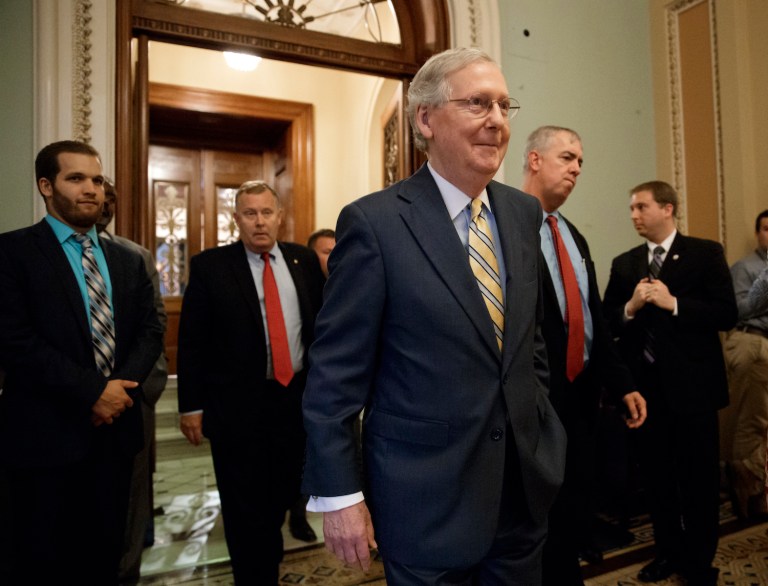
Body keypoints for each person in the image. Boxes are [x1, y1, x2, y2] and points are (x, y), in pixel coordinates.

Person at [301, 47, 566, 585]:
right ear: (426, 118)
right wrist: (340, 493)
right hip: (425, 505)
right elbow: (334, 376)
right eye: (477, 103)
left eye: (503, 105)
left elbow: (527, 343)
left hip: (520, 495)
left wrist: (541, 433)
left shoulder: (521, 212)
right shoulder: (373, 224)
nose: (496, 120)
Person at [0, 140, 164, 585]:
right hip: (45, 440)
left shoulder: (128, 259)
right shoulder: (12, 254)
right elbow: (15, 342)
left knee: (103, 559)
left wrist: (119, 390)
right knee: (43, 564)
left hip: (114, 436)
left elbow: (151, 330)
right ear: (46, 186)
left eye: (96, 179)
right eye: (76, 179)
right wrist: (94, 392)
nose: (91, 188)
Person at [176, 180, 325, 585]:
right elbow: (191, 342)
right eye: (250, 213)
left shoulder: (303, 261)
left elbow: (320, 328)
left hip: (293, 402)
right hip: (237, 408)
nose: (259, 221)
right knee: (244, 508)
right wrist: (191, 405)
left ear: (279, 216)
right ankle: (254, 575)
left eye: (266, 212)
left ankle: (266, 555)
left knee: (282, 493)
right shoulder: (210, 267)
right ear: (236, 218)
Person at [521, 126, 646, 585]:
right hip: (533, 400)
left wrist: (623, 383)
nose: (576, 168)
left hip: (581, 398)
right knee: (535, 519)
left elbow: (591, 320)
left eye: (581, 162)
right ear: (535, 160)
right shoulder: (502, 225)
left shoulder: (572, 236)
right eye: (567, 157)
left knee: (575, 506)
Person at [602, 180, 737, 586]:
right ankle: (667, 554)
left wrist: (673, 303)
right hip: (645, 394)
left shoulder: (704, 253)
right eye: (631, 209)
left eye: (641, 207)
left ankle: (699, 564)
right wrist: (631, 306)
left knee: (699, 483)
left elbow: (726, 314)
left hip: (694, 392)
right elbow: (607, 321)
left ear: (667, 209)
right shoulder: (625, 263)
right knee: (658, 482)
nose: (634, 216)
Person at [96, 179, 170, 581]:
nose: (102, 202)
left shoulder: (136, 257)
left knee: (129, 501)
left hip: (130, 397)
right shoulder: (30, 252)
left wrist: (138, 389)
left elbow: (154, 325)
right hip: (64, 406)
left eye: (109, 197)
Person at [284, 227, 337, 544]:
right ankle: (296, 514)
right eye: (325, 251)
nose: (333, 257)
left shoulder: (347, 284)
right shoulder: (299, 285)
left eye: (336, 250)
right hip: (299, 384)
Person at [721, 209, 768, 519]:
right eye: (766, 229)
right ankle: (747, 495)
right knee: (751, 423)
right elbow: (736, 310)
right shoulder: (746, 268)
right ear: (757, 233)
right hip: (751, 343)